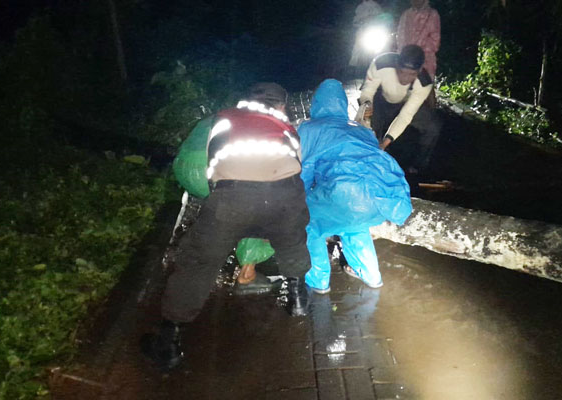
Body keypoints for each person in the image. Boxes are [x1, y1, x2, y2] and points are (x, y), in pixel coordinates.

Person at [142, 83, 312, 370]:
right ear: (281, 106)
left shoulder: (224, 118)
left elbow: (212, 161)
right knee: (292, 239)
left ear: (245, 100)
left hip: (233, 197)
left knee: (198, 261)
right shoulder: (286, 128)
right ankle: (298, 301)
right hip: (284, 195)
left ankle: (168, 344)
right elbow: (297, 161)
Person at [299, 79, 412, 293]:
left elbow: (304, 170)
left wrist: (299, 201)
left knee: (310, 225)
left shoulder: (309, 128)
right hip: (374, 199)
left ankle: (318, 280)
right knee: (356, 227)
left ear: (317, 103)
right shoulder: (362, 130)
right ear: (342, 104)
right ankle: (371, 276)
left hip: (340, 195)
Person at [359, 44, 441, 174]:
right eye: (402, 72)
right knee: (367, 127)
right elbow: (367, 91)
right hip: (380, 100)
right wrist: (367, 104)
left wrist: (386, 142)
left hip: (404, 104)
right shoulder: (381, 64)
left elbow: (406, 115)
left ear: (419, 70)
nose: (405, 79)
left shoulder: (424, 83)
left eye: (411, 74)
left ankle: (418, 167)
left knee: (433, 128)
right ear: (397, 65)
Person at [397, 0, 440, 79]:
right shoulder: (406, 15)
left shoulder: (432, 14)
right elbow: (400, 36)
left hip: (425, 61)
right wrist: (406, 52)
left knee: (424, 84)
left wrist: (418, 52)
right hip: (406, 59)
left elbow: (435, 40)